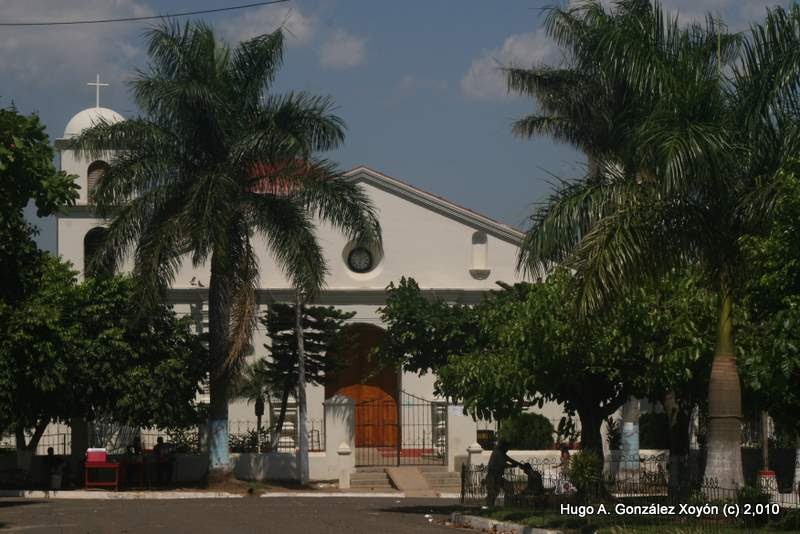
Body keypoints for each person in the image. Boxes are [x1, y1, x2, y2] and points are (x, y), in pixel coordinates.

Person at [485, 439, 522, 507]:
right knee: (493, 493)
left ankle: (508, 505)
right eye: (507, 447)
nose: (507, 449)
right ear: (503, 446)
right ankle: (489, 507)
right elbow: (503, 464)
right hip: (492, 476)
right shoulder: (498, 453)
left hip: (498, 476)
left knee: (508, 487)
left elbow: (509, 459)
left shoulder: (500, 452)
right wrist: (512, 465)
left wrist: (519, 464)